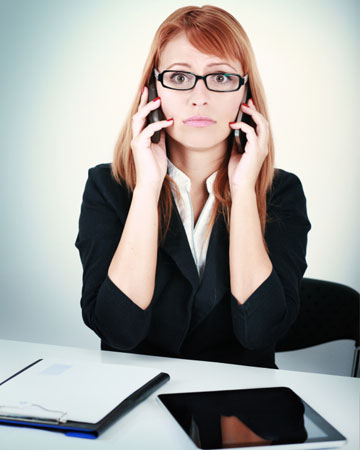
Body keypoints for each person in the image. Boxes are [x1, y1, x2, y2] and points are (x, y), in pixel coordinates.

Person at [75, 5, 311, 369]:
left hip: (242, 408)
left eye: (220, 78)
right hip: (140, 401)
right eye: (181, 78)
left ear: (245, 94)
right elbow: (119, 331)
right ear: (154, 89)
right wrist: (148, 188)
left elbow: (260, 333)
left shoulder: (281, 192)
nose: (199, 97)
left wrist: (245, 190)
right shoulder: (109, 187)